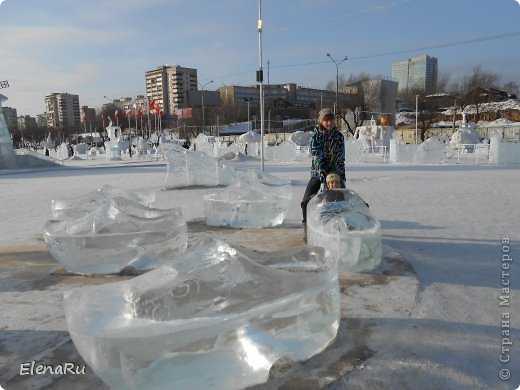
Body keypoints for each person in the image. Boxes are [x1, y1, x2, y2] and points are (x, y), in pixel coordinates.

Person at [301, 108, 345, 224]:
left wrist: (340, 174)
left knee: (343, 197)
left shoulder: (339, 137)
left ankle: (344, 222)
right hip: (318, 173)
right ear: (321, 121)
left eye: (331, 120)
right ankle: (307, 223)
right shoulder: (316, 137)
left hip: (334, 172)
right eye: (326, 121)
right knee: (306, 200)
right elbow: (316, 155)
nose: (329, 123)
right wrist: (322, 172)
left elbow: (341, 156)